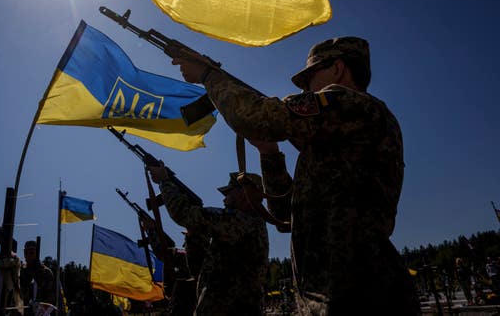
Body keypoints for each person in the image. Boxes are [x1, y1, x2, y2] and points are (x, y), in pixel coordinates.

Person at [172, 37, 420, 315]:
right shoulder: (338, 136)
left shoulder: (351, 103)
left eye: (311, 76)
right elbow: (285, 217)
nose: (306, 87)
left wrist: (207, 74)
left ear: (337, 68)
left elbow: (252, 117)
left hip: (356, 288)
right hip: (332, 287)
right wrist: (270, 154)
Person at [149, 165, 269, 316]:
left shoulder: (243, 221)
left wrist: (164, 181)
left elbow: (183, 213)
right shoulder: (243, 225)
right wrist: (192, 237)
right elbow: (198, 270)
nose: (224, 199)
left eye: (229, 192)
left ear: (244, 193)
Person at [20, 240, 56, 315]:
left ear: (37, 253)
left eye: (32, 253)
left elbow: (51, 298)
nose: (28, 256)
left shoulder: (46, 272)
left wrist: (39, 306)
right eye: (26, 253)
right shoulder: (21, 271)